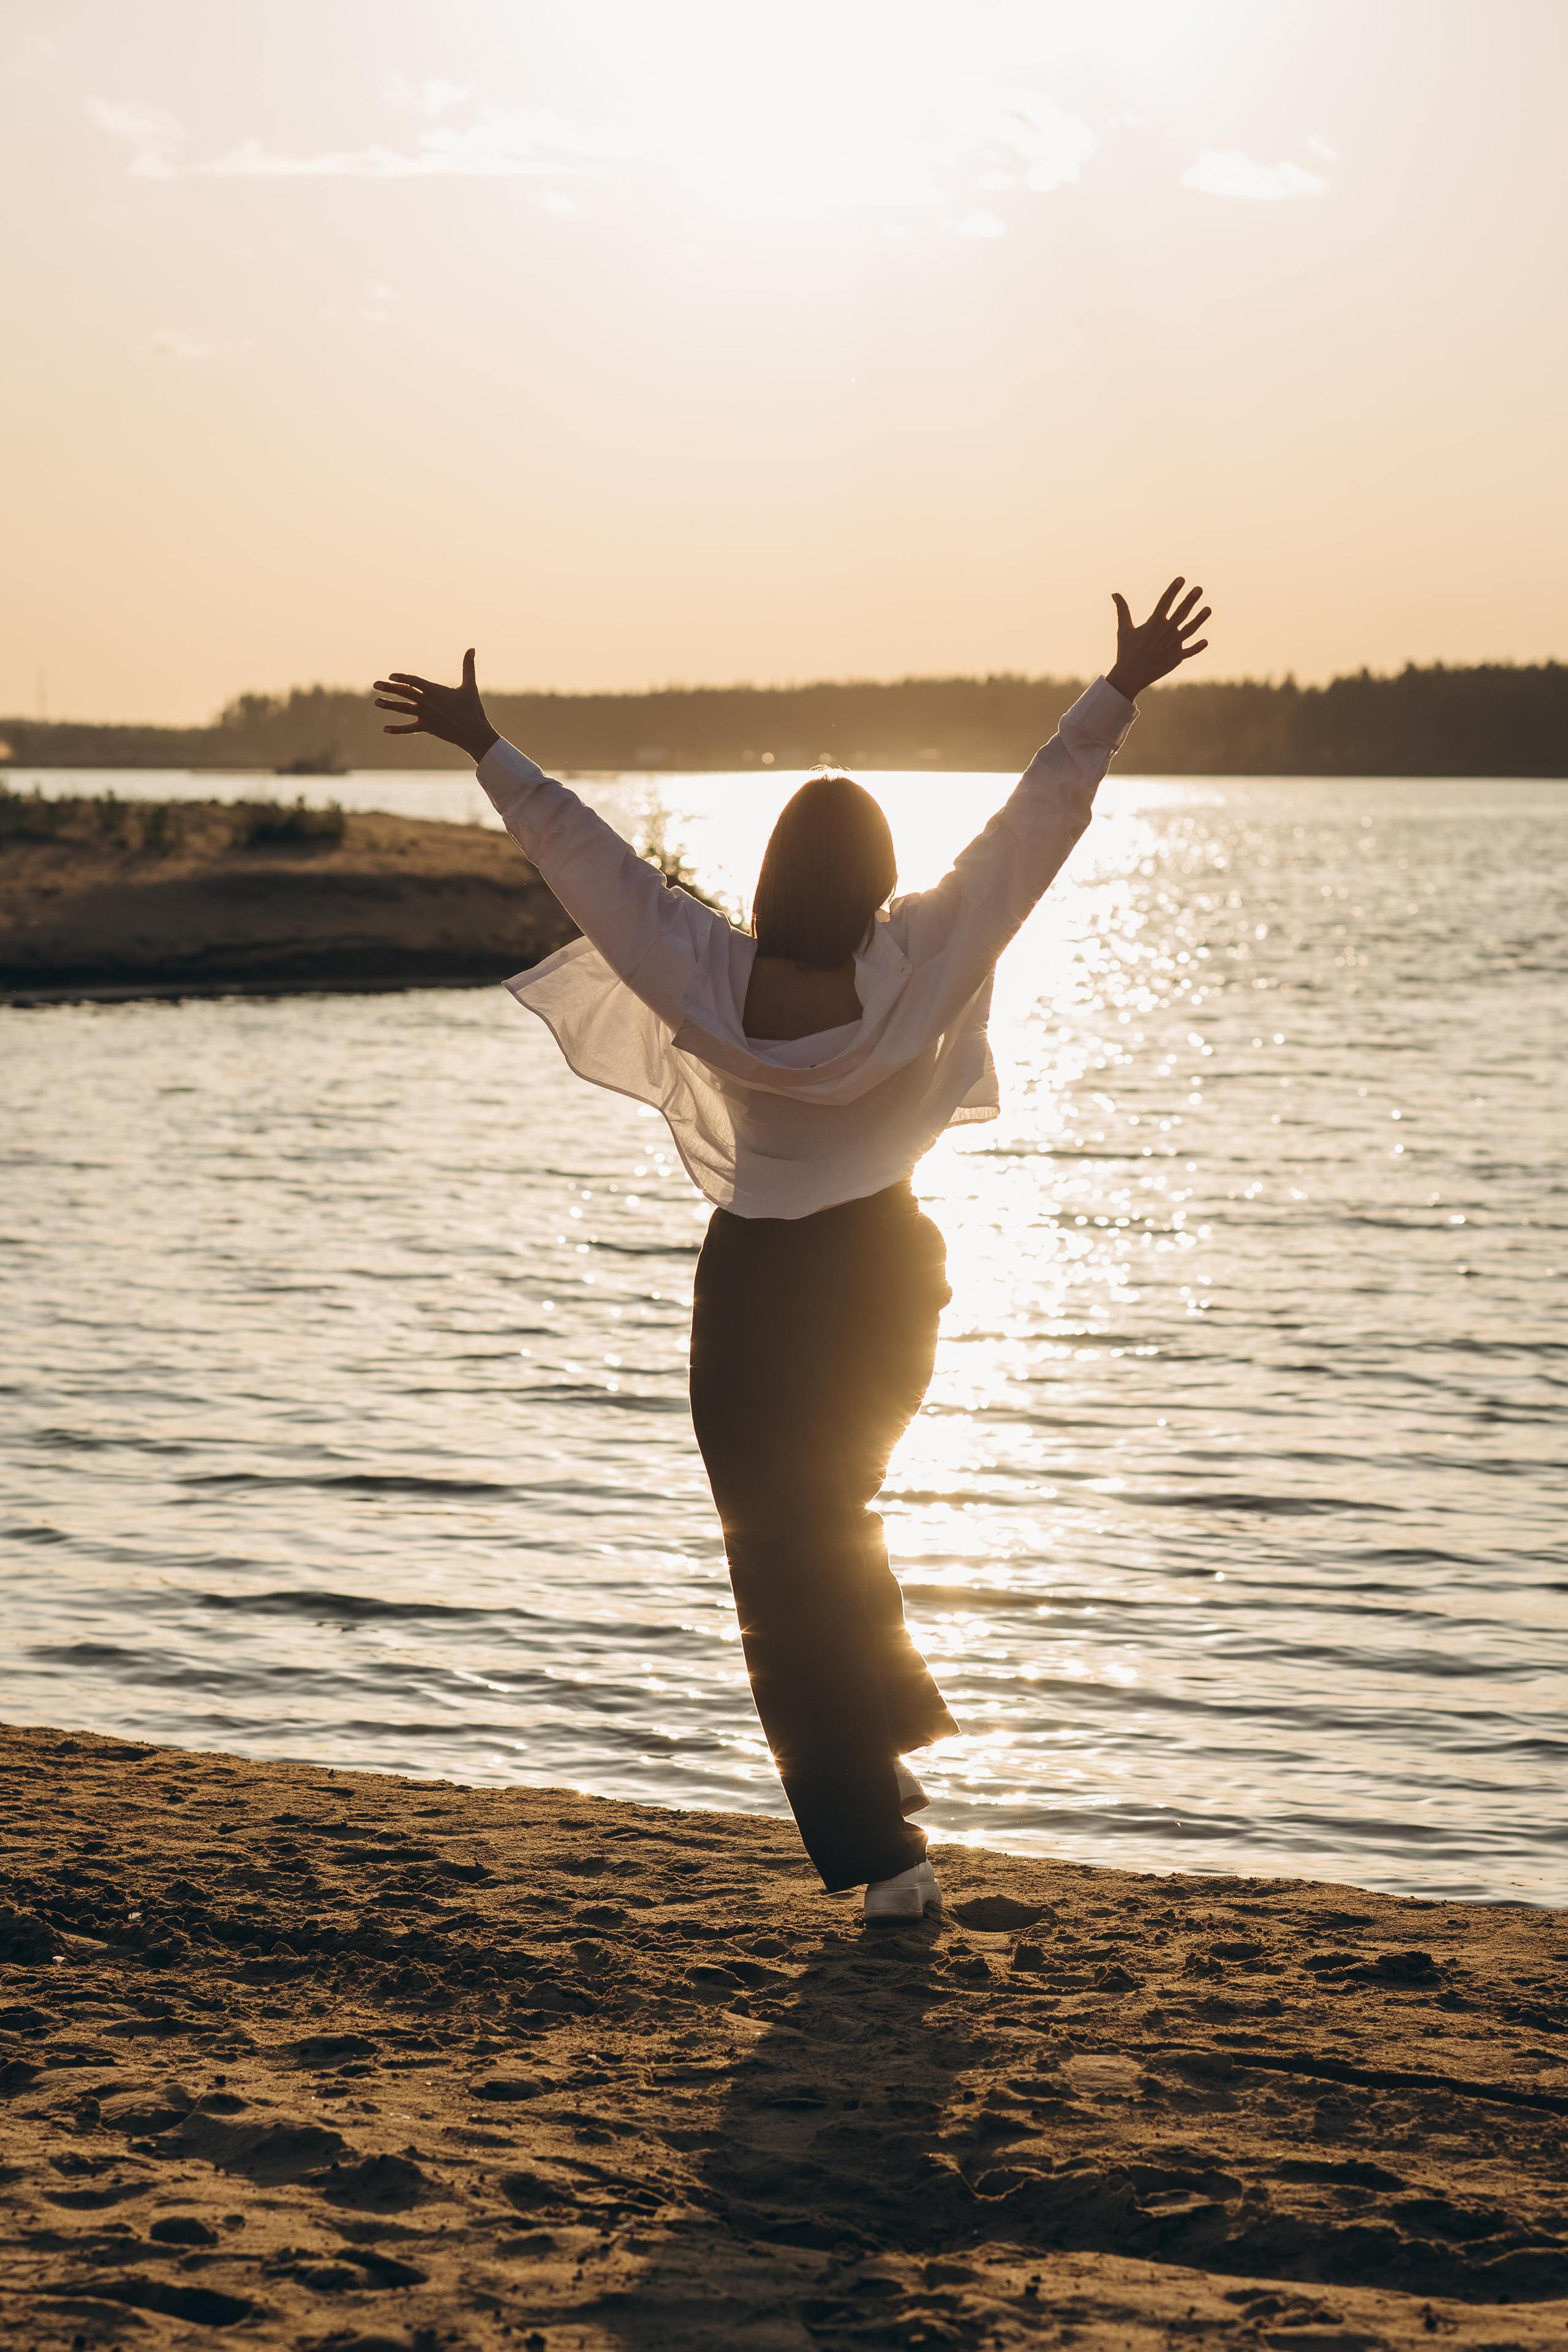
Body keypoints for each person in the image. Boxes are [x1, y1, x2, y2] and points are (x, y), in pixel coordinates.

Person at [373, 580, 1211, 1921]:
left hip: (757, 1285)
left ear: (772, 875)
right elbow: (1027, 830)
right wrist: (1116, 691)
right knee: (826, 1528)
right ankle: (881, 1764)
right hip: (886, 1276)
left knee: (781, 1551)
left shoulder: (701, 973)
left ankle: (879, 1855)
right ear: (877, 875)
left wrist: (485, 745)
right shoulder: (923, 956)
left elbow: (586, 861)